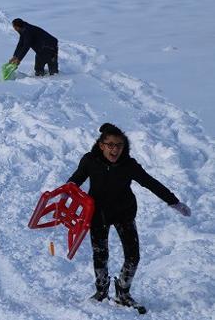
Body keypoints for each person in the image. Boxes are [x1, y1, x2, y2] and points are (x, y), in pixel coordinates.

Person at [66, 123, 191, 312]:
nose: (114, 149)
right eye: (110, 144)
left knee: (133, 256)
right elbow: (76, 179)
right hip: (97, 214)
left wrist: (174, 202)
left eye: (119, 145)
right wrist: (64, 194)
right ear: (101, 145)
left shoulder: (129, 165)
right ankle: (101, 291)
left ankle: (123, 292)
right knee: (100, 255)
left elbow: (151, 183)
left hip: (124, 213)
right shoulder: (90, 160)